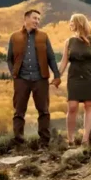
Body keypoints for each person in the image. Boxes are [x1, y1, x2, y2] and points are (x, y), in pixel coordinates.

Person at [6, 9, 61, 147]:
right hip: (21, 79)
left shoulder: (43, 36)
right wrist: (14, 74)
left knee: (43, 111)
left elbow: (51, 57)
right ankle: (18, 142)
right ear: (26, 19)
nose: (37, 21)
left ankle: (44, 142)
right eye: (35, 18)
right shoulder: (14, 37)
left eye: (38, 19)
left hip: (40, 79)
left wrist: (57, 74)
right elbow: (9, 59)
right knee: (19, 112)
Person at [58, 13, 91, 147]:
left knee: (89, 105)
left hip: (89, 75)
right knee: (72, 106)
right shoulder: (69, 42)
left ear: (78, 23)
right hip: (74, 75)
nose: (70, 24)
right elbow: (63, 61)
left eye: (71, 22)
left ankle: (85, 138)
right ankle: (71, 139)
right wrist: (57, 76)